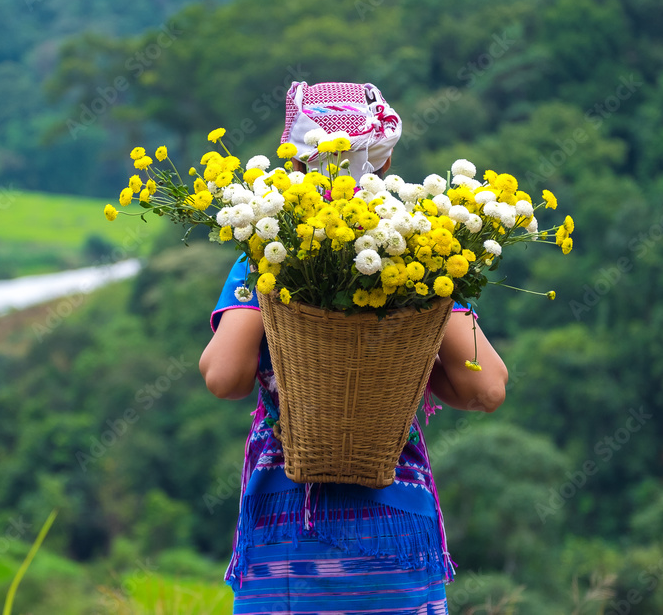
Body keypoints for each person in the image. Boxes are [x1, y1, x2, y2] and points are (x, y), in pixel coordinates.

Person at [199, 81, 509, 614]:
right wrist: (411, 364)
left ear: (294, 161)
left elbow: (223, 377)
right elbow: (485, 386)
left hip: (290, 536)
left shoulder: (267, 253)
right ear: (384, 163)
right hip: (392, 536)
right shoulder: (419, 250)